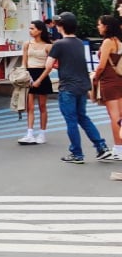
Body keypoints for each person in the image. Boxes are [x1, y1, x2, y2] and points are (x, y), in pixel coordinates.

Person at [32, 12, 110, 164]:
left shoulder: (59, 44)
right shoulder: (80, 43)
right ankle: (101, 146)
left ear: (61, 26)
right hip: (82, 85)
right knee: (83, 117)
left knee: (71, 120)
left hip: (67, 86)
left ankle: (77, 153)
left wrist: (55, 66)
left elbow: (48, 65)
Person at [91, 14, 122, 160]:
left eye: (99, 24)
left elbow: (102, 65)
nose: (98, 27)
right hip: (119, 79)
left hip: (109, 81)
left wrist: (95, 78)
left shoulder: (107, 42)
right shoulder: (119, 41)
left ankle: (118, 148)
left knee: (114, 117)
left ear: (106, 26)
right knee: (120, 116)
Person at [18, 20, 54, 145]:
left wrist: (39, 80)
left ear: (40, 30)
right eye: (30, 28)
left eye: (33, 28)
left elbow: (49, 66)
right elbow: (24, 61)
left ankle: (42, 133)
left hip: (42, 74)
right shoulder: (27, 44)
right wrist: (23, 74)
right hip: (29, 75)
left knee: (42, 106)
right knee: (30, 107)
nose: (30, 31)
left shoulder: (48, 46)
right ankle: (29, 133)